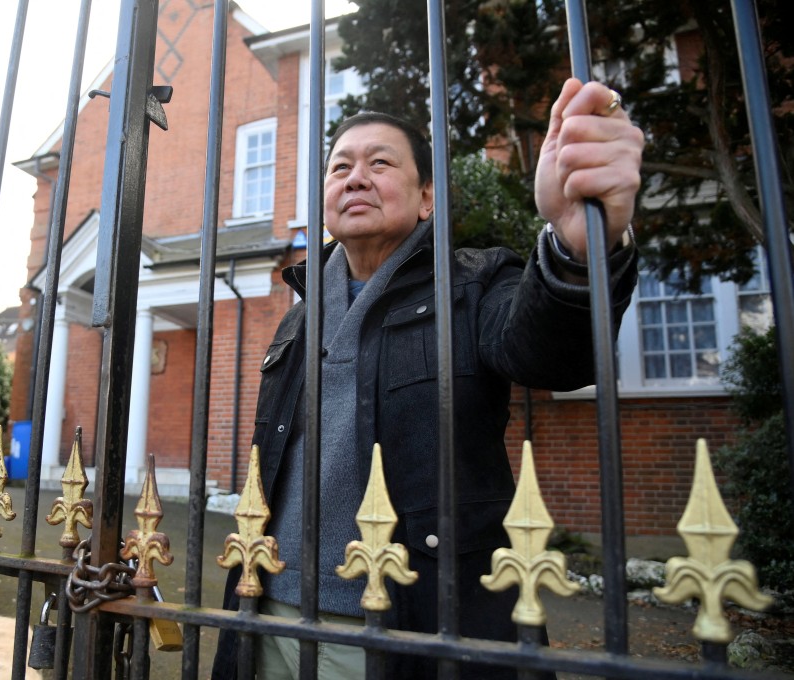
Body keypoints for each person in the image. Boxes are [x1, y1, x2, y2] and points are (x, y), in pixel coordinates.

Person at [212, 78, 644, 679]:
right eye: (340, 167)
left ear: (427, 198)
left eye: (379, 163)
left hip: (401, 622)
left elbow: (551, 354)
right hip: (268, 611)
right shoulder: (297, 317)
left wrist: (574, 246)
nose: (355, 177)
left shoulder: (472, 285)